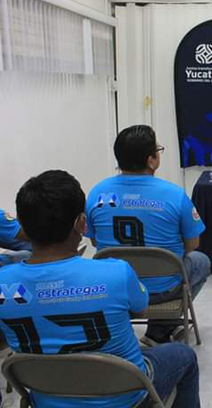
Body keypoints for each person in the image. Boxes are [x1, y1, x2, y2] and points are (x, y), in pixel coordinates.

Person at [0, 170, 200, 407]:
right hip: (125, 395)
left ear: (22, 225)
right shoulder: (115, 273)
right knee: (185, 356)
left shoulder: (4, 283)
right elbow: (139, 310)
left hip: (47, 399)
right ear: (81, 223)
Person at [86, 125, 210, 346]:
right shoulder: (175, 195)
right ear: (151, 159)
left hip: (114, 286)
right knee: (200, 262)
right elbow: (193, 243)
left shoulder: (96, 193)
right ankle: (160, 329)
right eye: (158, 150)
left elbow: (96, 242)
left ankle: (123, 325)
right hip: (162, 290)